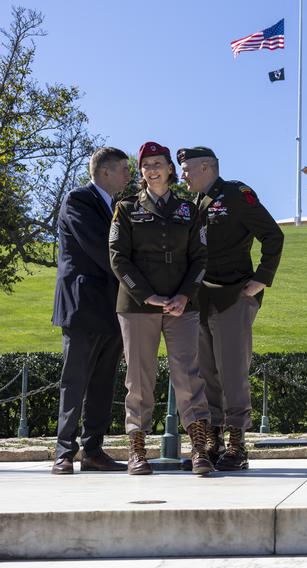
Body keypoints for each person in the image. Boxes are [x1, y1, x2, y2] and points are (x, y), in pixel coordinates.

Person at [177, 146, 284, 471]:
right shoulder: (192, 204)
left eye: (187, 169)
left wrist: (260, 280)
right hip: (200, 299)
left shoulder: (237, 194)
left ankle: (238, 445)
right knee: (206, 372)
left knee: (232, 372)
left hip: (232, 296)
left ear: (207, 167)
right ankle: (214, 441)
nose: (183, 175)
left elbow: (273, 235)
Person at [109, 141, 211, 476]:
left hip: (183, 305)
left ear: (170, 169)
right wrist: (147, 296)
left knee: (188, 376)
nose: (152, 169)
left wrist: (184, 295)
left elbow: (200, 258)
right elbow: (118, 258)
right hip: (138, 306)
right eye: (146, 165)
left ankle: (199, 448)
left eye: (158, 163)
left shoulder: (189, 210)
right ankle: (137, 450)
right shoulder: (125, 209)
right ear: (141, 173)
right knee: (138, 378)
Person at [51, 147, 132, 475]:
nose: (130, 174)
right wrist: (141, 276)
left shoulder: (115, 206)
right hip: (82, 307)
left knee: (102, 383)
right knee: (76, 379)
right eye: (125, 169)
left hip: (112, 309)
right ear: (105, 173)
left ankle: (94, 450)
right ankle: (64, 451)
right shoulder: (78, 201)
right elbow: (103, 250)